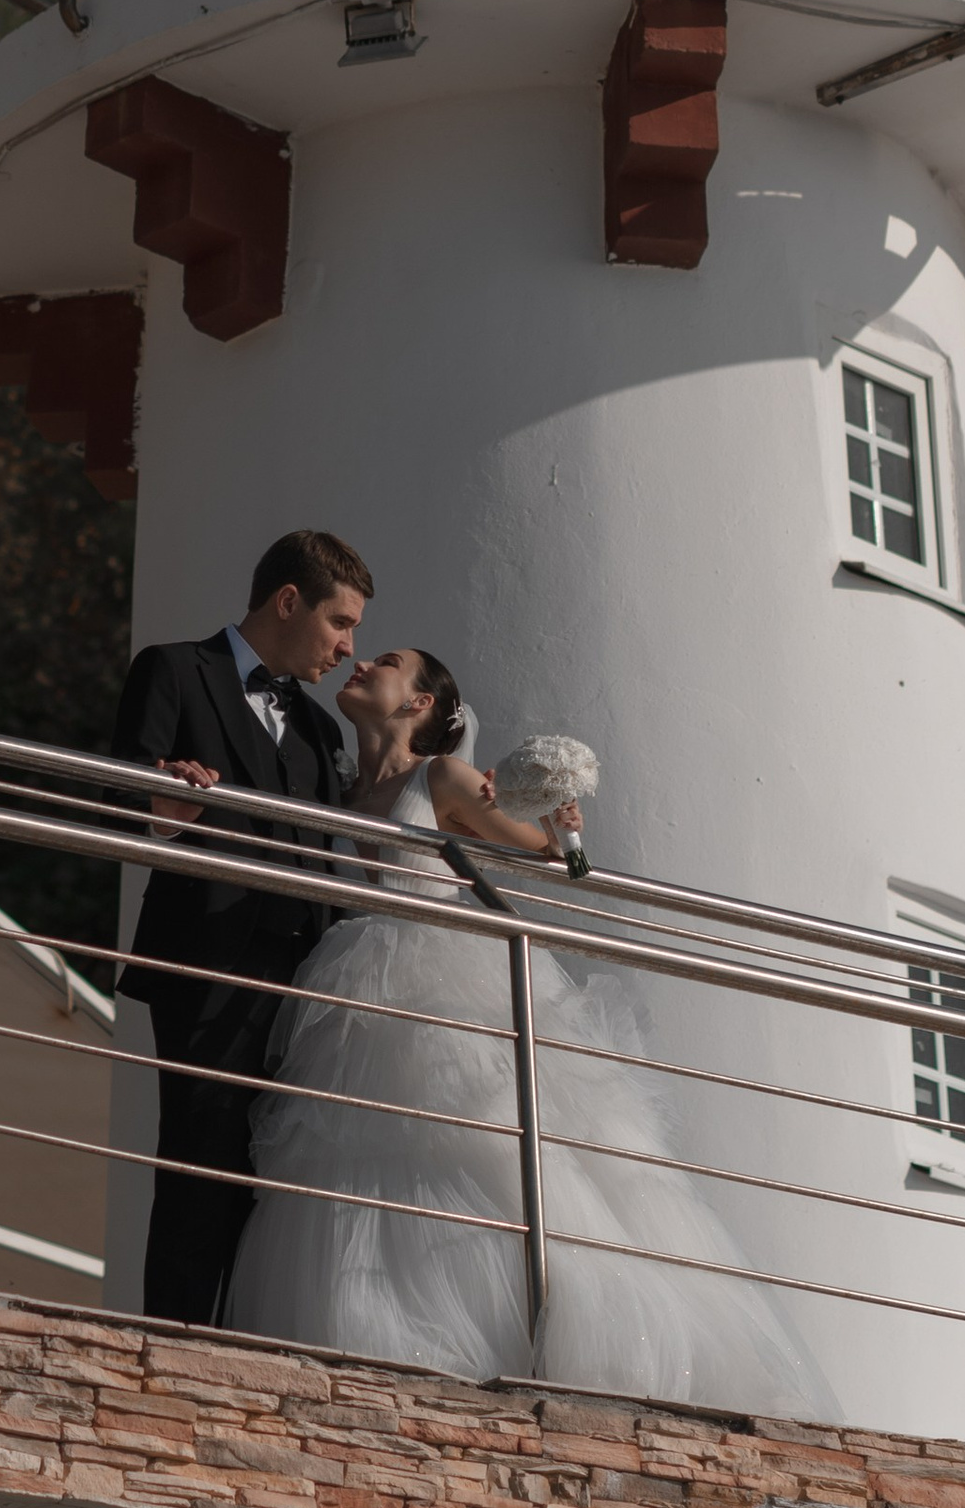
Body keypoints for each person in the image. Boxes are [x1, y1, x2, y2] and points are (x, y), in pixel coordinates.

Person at [225, 644, 838, 1421]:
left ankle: (548, 1333)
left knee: (484, 1141)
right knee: (362, 1156)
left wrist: (568, 833)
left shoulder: (440, 776)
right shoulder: (341, 789)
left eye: (383, 661)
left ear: (418, 704)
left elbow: (554, 865)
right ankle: (382, 1330)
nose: (360, 664)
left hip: (452, 975)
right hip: (359, 983)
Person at [109, 530, 371, 1325]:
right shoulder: (173, 669)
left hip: (308, 981)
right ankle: (172, 1342)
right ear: (289, 601)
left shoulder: (323, 731)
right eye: (340, 621)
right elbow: (120, 796)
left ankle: (248, 1337)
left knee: (279, 1172)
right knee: (201, 1157)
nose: (349, 646)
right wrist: (163, 802)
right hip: (209, 963)